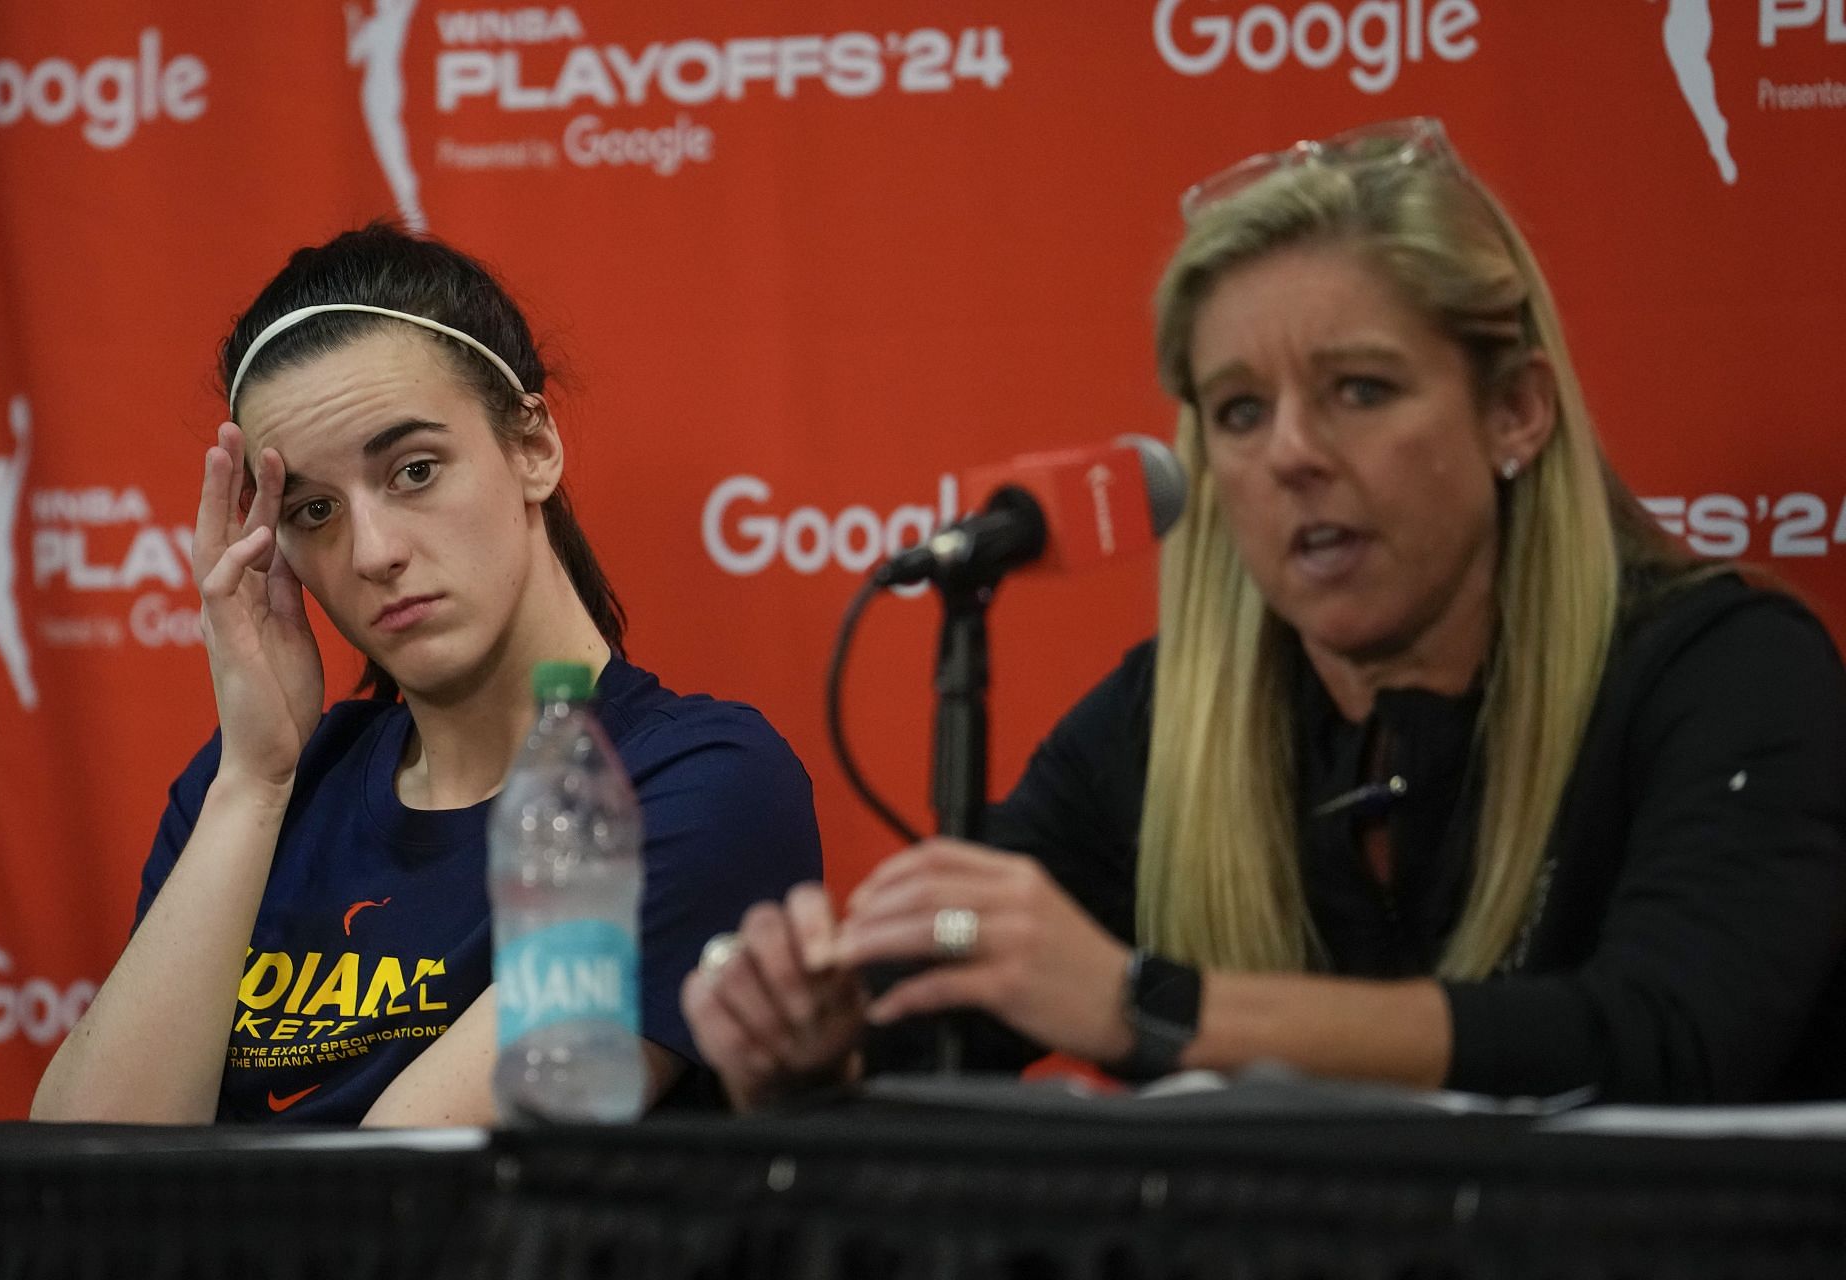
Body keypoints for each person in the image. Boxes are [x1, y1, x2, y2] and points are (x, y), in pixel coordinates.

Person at [680, 117, 1846, 1110]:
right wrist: (827, 1025)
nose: (1292, 452)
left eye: (1360, 389)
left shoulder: (1724, 672)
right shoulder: (1161, 722)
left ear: (1517, 413)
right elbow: (977, 962)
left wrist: (1155, 1004)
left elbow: (1669, 1040)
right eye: (1240, 411)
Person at [31, 224, 821, 1124]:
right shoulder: (247, 792)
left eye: (413, 470)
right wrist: (254, 782)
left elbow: (413, 1201)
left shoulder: (696, 786)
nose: (371, 553)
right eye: (314, 510)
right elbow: (82, 1173)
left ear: (533, 446)